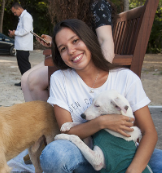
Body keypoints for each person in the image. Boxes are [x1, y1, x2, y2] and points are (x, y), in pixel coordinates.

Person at [39, 19, 162, 173]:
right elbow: (67, 131)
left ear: (89, 39)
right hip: (85, 156)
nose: (71, 50)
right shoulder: (60, 79)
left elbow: (149, 132)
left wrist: (133, 170)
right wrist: (102, 122)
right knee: (53, 156)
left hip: (124, 155)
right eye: (63, 48)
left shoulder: (126, 78)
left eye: (75, 40)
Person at [21, 0, 115, 101]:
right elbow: (72, 40)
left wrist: (102, 71)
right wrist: (54, 42)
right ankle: (37, 117)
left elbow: (105, 39)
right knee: (25, 78)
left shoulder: (98, 4)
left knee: (34, 81)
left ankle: (51, 116)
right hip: (72, 56)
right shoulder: (75, 9)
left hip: (87, 60)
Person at [8, 2, 33, 87]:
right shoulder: (22, 17)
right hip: (21, 46)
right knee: (21, 65)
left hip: (24, 46)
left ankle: (28, 83)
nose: (14, 14)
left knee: (24, 65)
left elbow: (26, 30)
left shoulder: (26, 17)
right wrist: (14, 33)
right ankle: (24, 81)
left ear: (19, 8)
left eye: (15, 12)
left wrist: (15, 32)